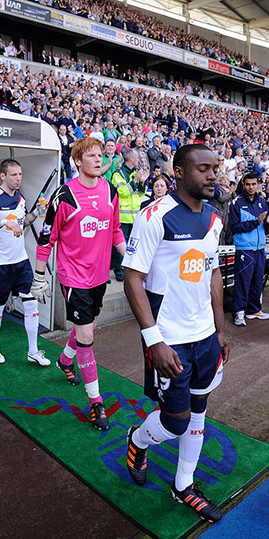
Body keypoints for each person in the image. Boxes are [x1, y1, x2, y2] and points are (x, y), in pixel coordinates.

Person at [123, 144, 228, 524]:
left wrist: (219, 328)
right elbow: (132, 277)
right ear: (179, 172)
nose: (212, 175)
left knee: (199, 411)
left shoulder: (215, 219)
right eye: (203, 169)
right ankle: (137, 439)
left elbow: (212, 272)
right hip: (169, 338)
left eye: (215, 168)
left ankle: (183, 485)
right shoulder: (156, 216)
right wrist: (155, 340)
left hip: (204, 337)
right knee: (175, 421)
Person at [31, 136, 126, 430]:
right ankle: (96, 402)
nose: (99, 160)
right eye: (92, 156)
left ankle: (64, 360)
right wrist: (38, 276)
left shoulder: (111, 191)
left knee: (88, 328)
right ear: (77, 161)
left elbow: (116, 231)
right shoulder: (64, 196)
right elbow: (47, 238)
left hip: (100, 276)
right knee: (86, 336)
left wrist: (135, 260)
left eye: (101, 155)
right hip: (74, 277)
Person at [0, 159, 50, 366]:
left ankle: (33, 351)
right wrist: (3, 222)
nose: (18, 178)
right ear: (3, 176)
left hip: (21, 261)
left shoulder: (20, 197)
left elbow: (23, 222)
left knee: (31, 302)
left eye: (20, 174)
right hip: (0, 264)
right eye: (13, 175)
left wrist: (35, 212)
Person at [229, 172, 269, 326]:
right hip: (244, 248)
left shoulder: (262, 201)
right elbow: (234, 227)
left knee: (257, 280)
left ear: (258, 184)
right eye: (248, 184)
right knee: (243, 281)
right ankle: (239, 312)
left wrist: (267, 223)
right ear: (243, 185)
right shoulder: (236, 203)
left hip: (259, 247)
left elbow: (264, 224)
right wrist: (256, 222)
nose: (251, 187)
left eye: (254, 184)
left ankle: (253, 311)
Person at [111, 149, 148, 281]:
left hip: (135, 215)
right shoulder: (118, 174)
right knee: (118, 243)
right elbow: (122, 192)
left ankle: (132, 268)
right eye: (137, 158)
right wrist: (135, 181)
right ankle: (119, 270)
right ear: (131, 159)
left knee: (134, 244)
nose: (139, 160)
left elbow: (140, 194)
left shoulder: (135, 173)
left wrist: (142, 182)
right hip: (122, 216)